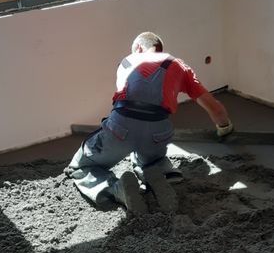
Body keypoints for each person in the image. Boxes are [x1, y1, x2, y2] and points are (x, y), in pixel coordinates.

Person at [67, 31, 232, 213]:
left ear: (138, 48)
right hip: (159, 132)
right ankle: (160, 173)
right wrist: (224, 128)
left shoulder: (126, 62)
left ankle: (116, 189)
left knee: (81, 166)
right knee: (147, 155)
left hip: (121, 127)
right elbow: (215, 108)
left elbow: (132, 97)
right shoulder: (180, 66)